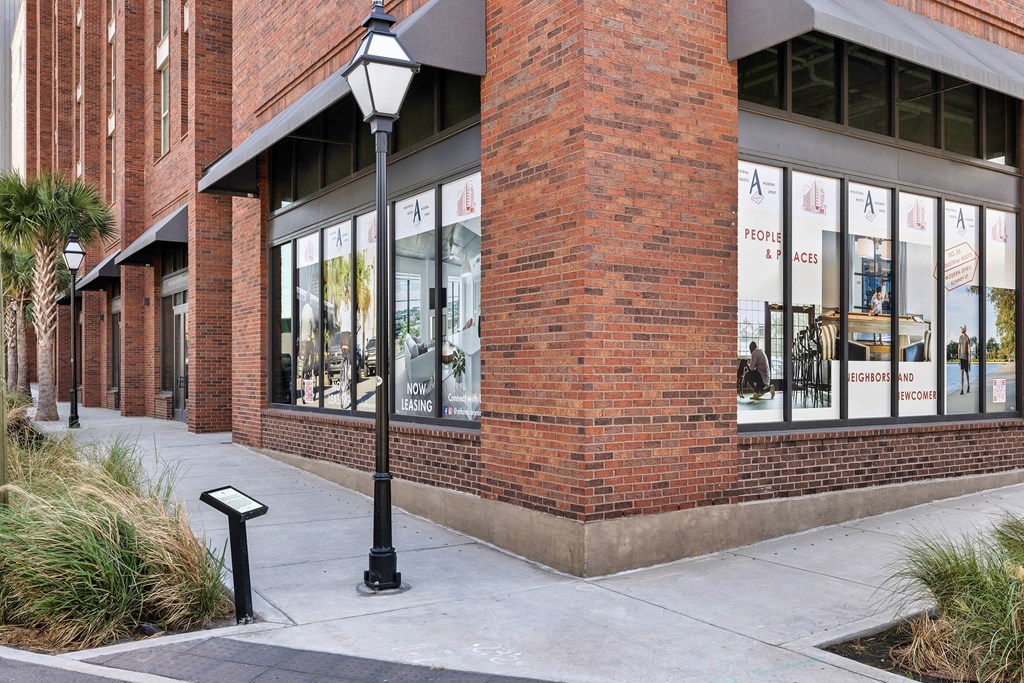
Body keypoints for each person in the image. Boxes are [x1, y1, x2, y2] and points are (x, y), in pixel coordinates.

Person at [959, 325, 972, 395]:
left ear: (965, 329)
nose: (961, 329)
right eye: (961, 328)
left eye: (962, 328)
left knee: (967, 373)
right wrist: (958, 358)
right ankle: (961, 389)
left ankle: (968, 385)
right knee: (961, 372)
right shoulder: (960, 337)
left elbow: (969, 348)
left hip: (966, 358)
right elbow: (958, 348)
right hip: (961, 358)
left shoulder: (967, 338)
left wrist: (969, 359)